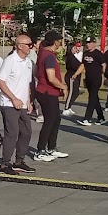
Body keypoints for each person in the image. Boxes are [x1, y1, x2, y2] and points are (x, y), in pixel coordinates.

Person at [0, 34, 36, 174]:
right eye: (29, 45)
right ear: (19, 46)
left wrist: (28, 101)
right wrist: (13, 98)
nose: (31, 47)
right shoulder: (10, 61)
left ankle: (19, 161)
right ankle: (4, 164)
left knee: (26, 132)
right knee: (12, 133)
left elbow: (26, 84)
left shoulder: (28, 63)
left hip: (23, 104)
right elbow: (1, 81)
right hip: (9, 103)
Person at [34, 31, 70, 162]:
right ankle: (40, 150)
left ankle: (51, 148)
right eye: (60, 40)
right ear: (56, 42)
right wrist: (64, 87)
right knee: (49, 121)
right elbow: (51, 77)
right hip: (47, 92)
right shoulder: (48, 56)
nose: (61, 43)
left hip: (49, 92)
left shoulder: (44, 54)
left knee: (55, 119)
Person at [75, 37, 106, 126]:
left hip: (96, 79)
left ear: (94, 44)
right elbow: (83, 65)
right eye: (87, 43)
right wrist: (76, 74)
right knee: (94, 98)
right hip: (88, 78)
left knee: (92, 98)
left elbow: (104, 65)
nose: (88, 44)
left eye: (90, 43)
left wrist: (106, 77)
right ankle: (101, 117)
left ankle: (87, 118)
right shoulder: (85, 54)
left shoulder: (98, 54)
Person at [62, 42, 83, 117]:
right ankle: (66, 108)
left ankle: (69, 106)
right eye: (74, 48)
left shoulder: (73, 56)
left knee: (76, 92)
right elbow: (78, 65)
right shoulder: (70, 57)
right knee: (71, 92)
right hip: (71, 76)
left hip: (75, 76)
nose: (76, 49)